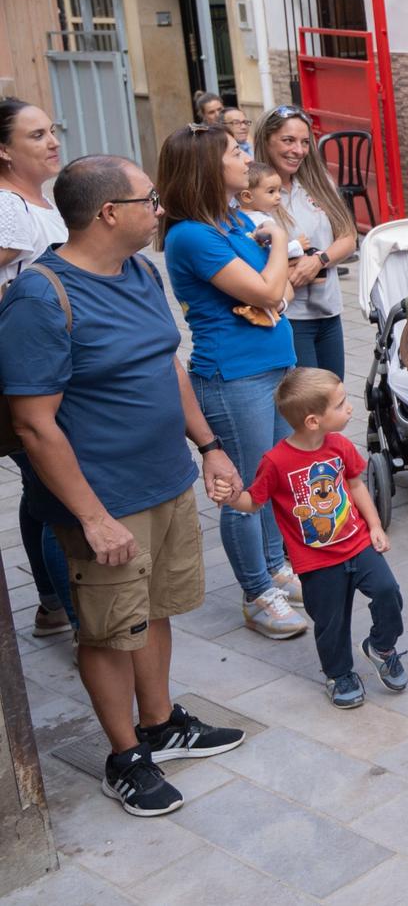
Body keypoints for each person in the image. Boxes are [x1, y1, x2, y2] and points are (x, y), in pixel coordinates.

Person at [0, 154, 249, 816]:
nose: (159, 208)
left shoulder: (139, 270)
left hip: (164, 481)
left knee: (155, 607)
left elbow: (165, 360)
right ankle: (124, 756)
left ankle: (162, 723)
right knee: (108, 631)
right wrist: (92, 517)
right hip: (103, 500)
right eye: (150, 199)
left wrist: (211, 445)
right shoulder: (40, 296)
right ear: (111, 212)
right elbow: (33, 423)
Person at [157, 123, 311, 640]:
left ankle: (275, 566)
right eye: (234, 151)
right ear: (207, 167)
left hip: (270, 363)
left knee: (271, 477)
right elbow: (272, 290)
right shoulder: (192, 235)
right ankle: (256, 592)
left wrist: (275, 285)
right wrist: (283, 242)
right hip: (233, 376)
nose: (246, 156)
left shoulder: (233, 220)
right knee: (243, 490)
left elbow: (279, 291)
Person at [221, 368, 403, 708]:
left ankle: (382, 645)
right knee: (331, 622)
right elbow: (253, 501)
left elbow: (355, 484)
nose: (349, 409)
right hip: (316, 561)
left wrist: (375, 525)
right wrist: (230, 496)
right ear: (312, 421)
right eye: (340, 404)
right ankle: (340, 674)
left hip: (357, 543)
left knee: (387, 591)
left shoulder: (340, 445)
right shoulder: (275, 462)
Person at [0, 99, 76, 637]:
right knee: (55, 493)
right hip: (32, 373)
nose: (51, 141)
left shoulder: (39, 201)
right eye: (35, 135)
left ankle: (51, 603)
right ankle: (78, 620)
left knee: (40, 488)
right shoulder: (8, 208)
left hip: (59, 365)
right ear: (4, 151)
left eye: (51, 131)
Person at [255, 107, 359, 378]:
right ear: (266, 140)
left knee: (333, 394)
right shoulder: (251, 193)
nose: (298, 150)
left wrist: (319, 260)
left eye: (304, 142)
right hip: (290, 316)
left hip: (328, 311)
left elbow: (348, 237)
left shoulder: (317, 181)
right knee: (306, 404)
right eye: (288, 140)